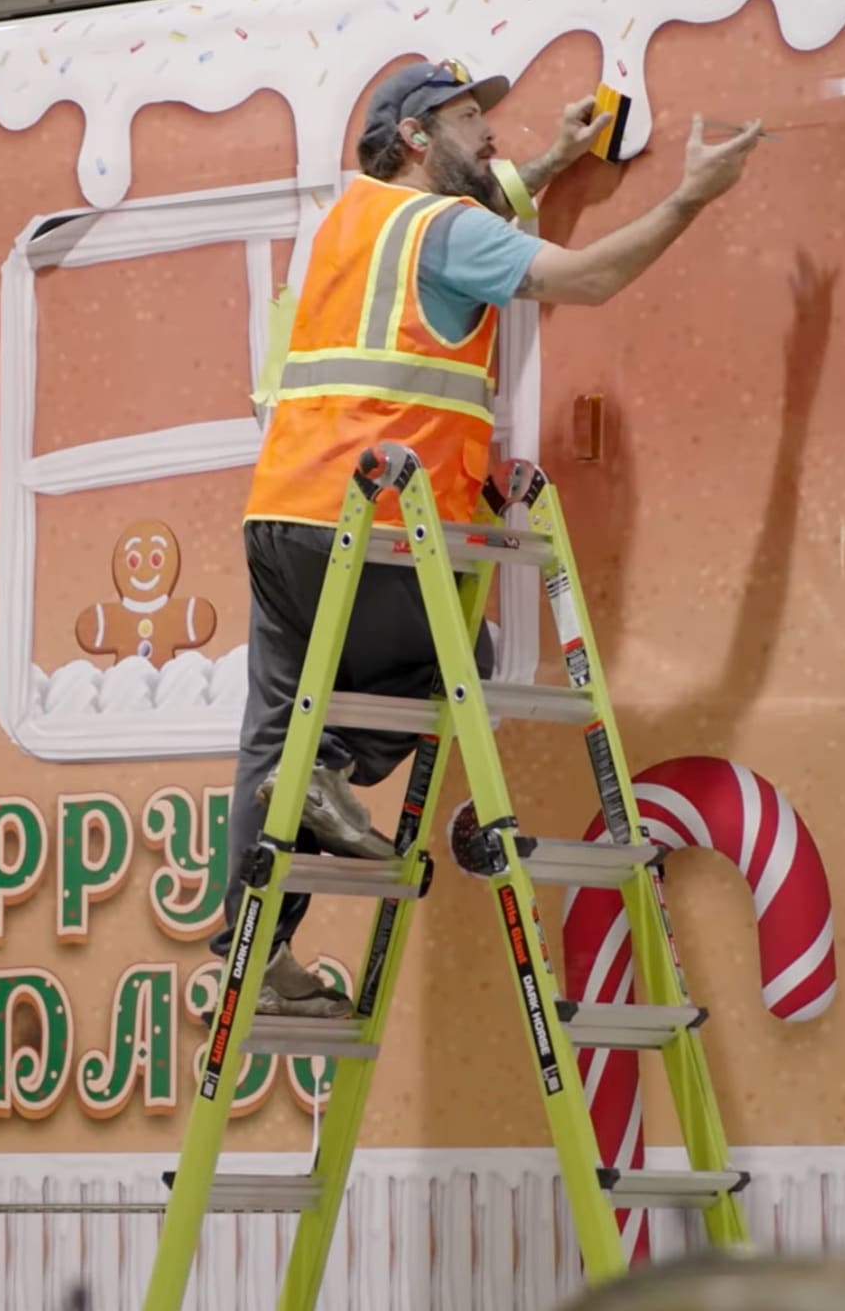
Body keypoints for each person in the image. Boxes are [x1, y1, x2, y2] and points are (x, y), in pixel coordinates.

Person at [219, 56, 766, 1018]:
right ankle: (333, 770)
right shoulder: (445, 229)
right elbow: (586, 276)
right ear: (418, 139)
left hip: (282, 518)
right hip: (376, 521)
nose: (491, 132)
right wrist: (690, 197)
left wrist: (555, 157)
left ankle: (255, 958)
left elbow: (473, 214)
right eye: (471, 117)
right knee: (461, 654)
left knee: (274, 745)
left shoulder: (356, 220)